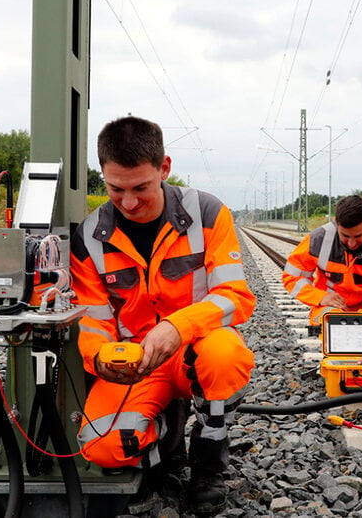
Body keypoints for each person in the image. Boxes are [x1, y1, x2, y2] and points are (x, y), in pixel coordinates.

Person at [69, 116, 256, 514]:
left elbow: (234, 296)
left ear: (164, 168)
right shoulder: (89, 237)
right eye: (115, 189)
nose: (130, 202)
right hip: (135, 362)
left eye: (141, 188)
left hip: (196, 349)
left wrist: (178, 326)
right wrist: (100, 357)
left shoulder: (207, 213)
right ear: (102, 174)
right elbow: (93, 319)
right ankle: (167, 449)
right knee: (100, 446)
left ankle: (208, 465)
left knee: (226, 356)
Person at [282, 195, 362, 364]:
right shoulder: (317, 240)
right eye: (345, 236)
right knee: (339, 339)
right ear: (336, 222)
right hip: (332, 306)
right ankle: (338, 356)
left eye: (358, 236)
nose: (352, 243)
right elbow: (292, 277)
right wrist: (321, 297)